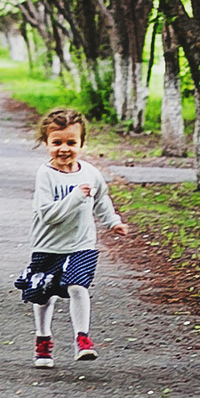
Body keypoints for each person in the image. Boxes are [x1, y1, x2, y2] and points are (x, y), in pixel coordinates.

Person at [23, 108, 127, 368]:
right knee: (44, 294)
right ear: (46, 143)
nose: (64, 149)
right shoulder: (45, 175)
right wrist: (75, 197)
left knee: (78, 286)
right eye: (56, 142)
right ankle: (43, 339)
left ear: (82, 143)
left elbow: (101, 199)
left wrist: (113, 222)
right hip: (48, 245)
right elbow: (48, 215)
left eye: (71, 142)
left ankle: (83, 339)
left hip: (81, 244)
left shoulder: (90, 173)